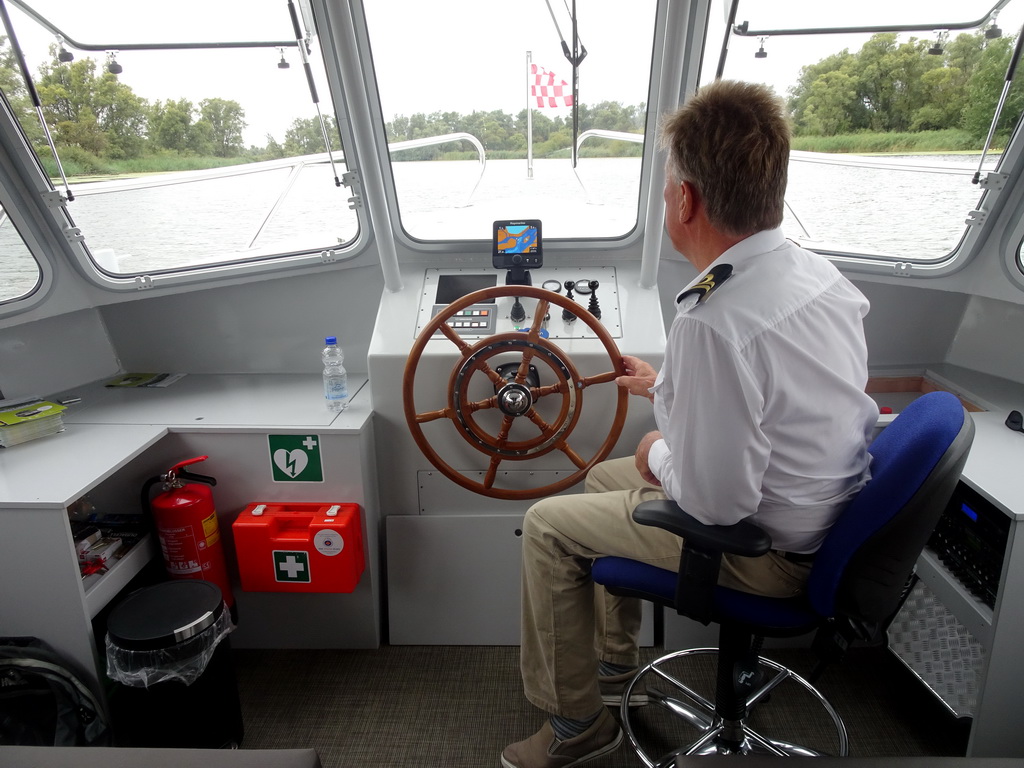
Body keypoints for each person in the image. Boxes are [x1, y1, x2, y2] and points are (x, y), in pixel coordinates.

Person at [500, 79, 880, 768]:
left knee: (549, 528)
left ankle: (574, 729)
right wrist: (664, 389)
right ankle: (615, 669)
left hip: (758, 549)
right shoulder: (819, 278)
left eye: (667, 184)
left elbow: (716, 502)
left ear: (684, 200)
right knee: (596, 476)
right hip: (823, 518)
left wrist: (657, 451)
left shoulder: (715, 319)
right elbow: (773, 399)